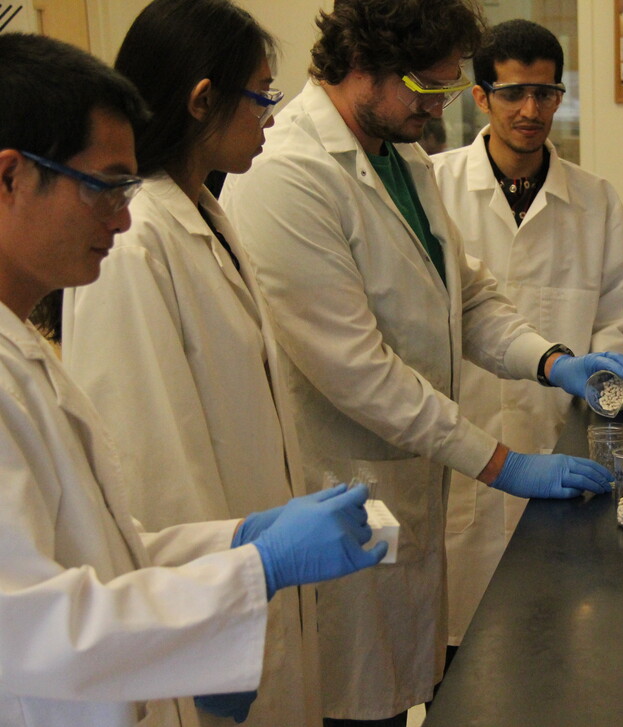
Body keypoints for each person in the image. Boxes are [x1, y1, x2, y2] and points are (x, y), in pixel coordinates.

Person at [220, 1, 623, 724]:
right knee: (350, 701)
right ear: (363, 67)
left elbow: (467, 292)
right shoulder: (288, 173)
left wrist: (549, 359)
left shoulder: (399, 154)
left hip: (406, 485)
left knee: (404, 691)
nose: (441, 110)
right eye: (429, 90)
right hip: (342, 484)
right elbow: (360, 373)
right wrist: (504, 463)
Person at [0, 32, 386, 727]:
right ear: (10, 177)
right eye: (106, 187)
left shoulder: (18, 349)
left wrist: (239, 539)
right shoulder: (134, 252)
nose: (122, 214)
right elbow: (33, 626)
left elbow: (104, 546)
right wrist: (250, 572)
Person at [61, 1, 320, 724]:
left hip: (248, 590)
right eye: (263, 95)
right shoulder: (133, 238)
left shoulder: (205, 207)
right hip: (204, 617)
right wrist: (212, 620)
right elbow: (150, 466)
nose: (272, 115)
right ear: (203, 98)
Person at [432, 18, 623, 655]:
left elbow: (622, 311)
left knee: (557, 641)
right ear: (481, 97)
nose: (531, 111)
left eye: (546, 94)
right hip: (458, 447)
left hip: (562, 445)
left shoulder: (595, 200)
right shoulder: (434, 188)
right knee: (458, 648)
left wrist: (607, 373)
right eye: (513, 94)